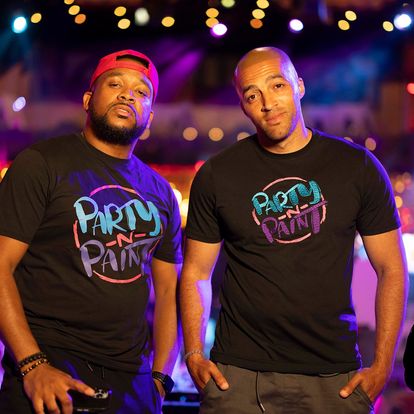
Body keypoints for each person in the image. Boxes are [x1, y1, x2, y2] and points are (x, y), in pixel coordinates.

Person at [180, 46, 408, 413]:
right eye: (252, 95)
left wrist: (382, 365)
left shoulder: (357, 167)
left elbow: (391, 268)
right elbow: (195, 272)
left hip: (333, 376)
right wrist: (193, 353)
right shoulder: (217, 175)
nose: (267, 103)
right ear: (243, 105)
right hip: (238, 376)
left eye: (277, 86)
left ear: (298, 86)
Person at [0, 49, 183, 414]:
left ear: (149, 117)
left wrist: (161, 379)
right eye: (114, 84)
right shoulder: (41, 164)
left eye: (141, 91)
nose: (127, 95)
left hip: (132, 383)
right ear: (87, 100)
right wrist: (32, 365)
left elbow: (168, 292)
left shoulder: (161, 192)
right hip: (50, 370)